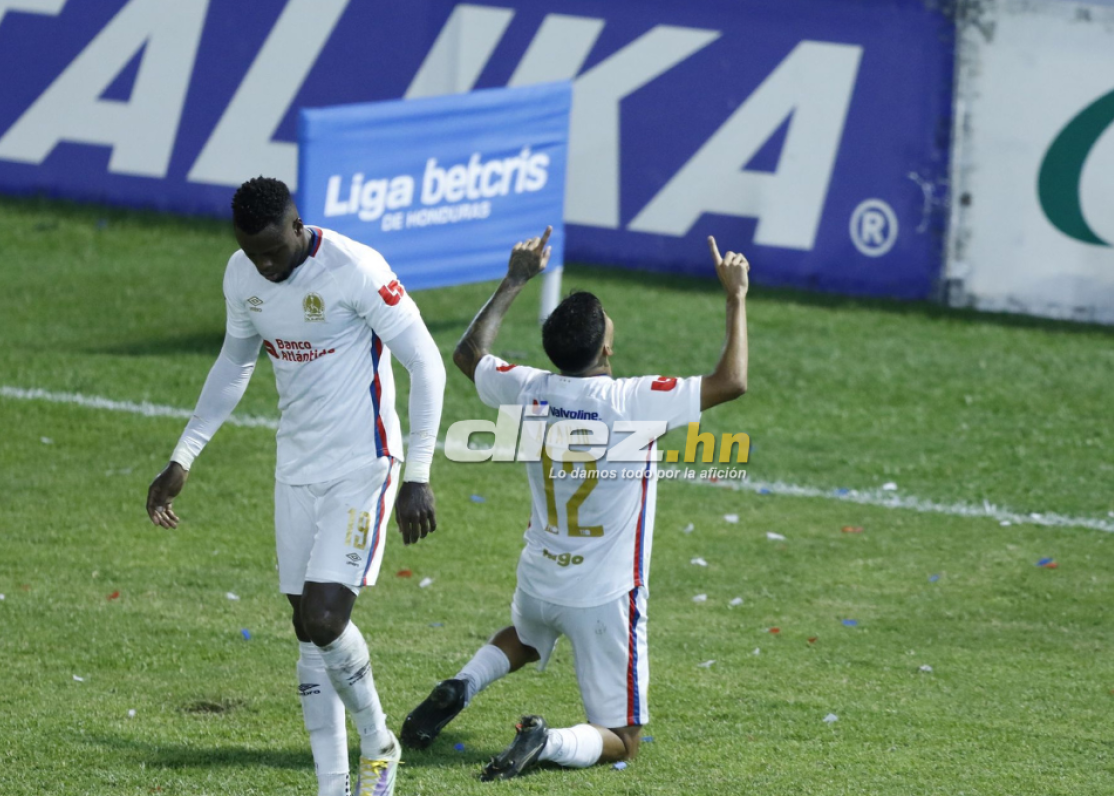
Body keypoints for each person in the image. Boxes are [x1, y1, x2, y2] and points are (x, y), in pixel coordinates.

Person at [400, 227, 749, 780]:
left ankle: (462, 685)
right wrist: (735, 296)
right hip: (605, 595)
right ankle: (549, 741)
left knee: (528, 637)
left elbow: (469, 353)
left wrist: (516, 278)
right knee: (626, 740)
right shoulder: (633, 400)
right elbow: (732, 381)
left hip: (540, 577)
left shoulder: (528, 386)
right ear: (606, 348)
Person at [145, 176, 446, 796]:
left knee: (326, 616)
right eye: (251, 252)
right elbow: (235, 362)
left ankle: (379, 742)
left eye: (273, 252)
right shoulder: (242, 275)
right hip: (295, 469)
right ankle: (332, 784)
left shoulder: (355, 268)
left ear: (296, 224)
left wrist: (417, 474)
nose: (264, 265)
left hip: (363, 465)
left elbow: (426, 361)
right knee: (306, 629)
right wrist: (184, 457)